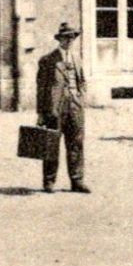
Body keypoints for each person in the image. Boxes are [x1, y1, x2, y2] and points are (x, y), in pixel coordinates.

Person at [35, 22, 90, 192]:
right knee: (51, 143)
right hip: (55, 107)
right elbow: (41, 88)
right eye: (66, 37)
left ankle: (77, 180)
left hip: (75, 106)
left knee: (76, 143)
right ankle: (49, 181)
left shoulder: (77, 58)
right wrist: (41, 113)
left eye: (72, 37)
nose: (69, 40)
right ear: (60, 39)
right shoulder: (48, 60)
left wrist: (80, 96)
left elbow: (82, 81)